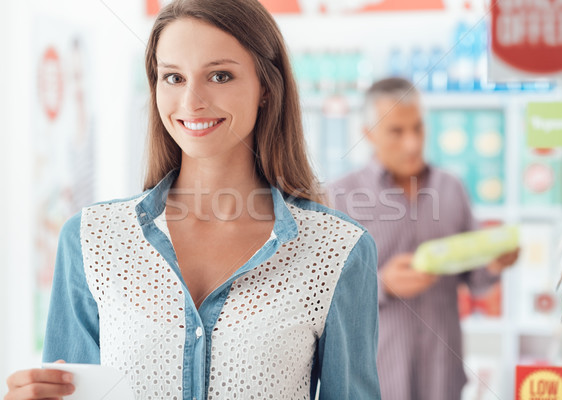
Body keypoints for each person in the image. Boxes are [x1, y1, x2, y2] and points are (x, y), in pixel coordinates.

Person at [3, 1, 382, 399]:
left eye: (220, 75)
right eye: (173, 77)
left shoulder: (337, 251)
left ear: (266, 88)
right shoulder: (91, 240)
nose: (191, 102)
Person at [327, 77, 519, 400]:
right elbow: (325, 294)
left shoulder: (451, 188)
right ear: (368, 134)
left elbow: (476, 280)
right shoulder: (341, 197)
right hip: (376, 376)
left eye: (417, 128)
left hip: (443, 372)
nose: (412, 143)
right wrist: (382, 283)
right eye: (397, 132)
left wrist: (495, 262)